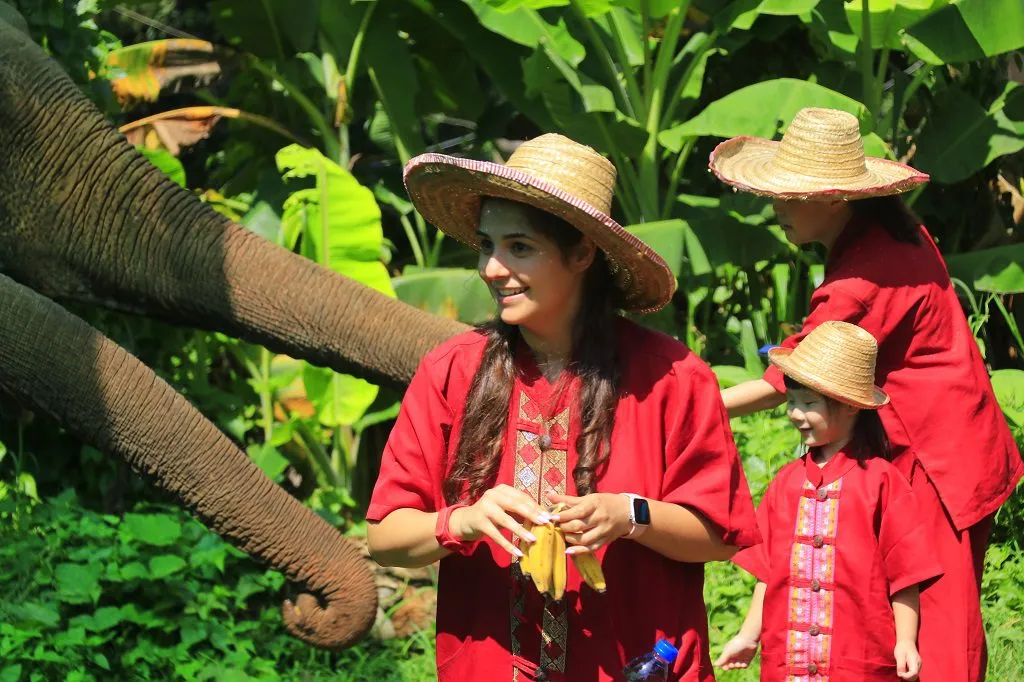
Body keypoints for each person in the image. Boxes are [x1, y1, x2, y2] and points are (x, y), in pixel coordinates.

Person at [366, 134, 760, 681]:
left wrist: (630, 515)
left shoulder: (672, 378)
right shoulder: (451, 372)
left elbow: (719, 535)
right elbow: (386, 537)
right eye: (486, 245)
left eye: (519, 248)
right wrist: (465, 520)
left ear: (581, 253)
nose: (492, 269)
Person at [711, 107, 1023, 682]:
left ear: (832, 199)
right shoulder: (888, 229)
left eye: (788, 195)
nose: (775, 207)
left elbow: (796, 374)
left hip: (938, 465)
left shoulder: (864, 274)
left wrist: (696, 405)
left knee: (938, 636)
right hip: (951, 445)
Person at [715, 320, 943, 681]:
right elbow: (766, 575)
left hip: (859, 660)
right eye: (791, 401)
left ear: (851, 406)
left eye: (808, 403)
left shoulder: (882, 482)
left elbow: (905, 574)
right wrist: (748, 635)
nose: (795, 413)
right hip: (789, 661)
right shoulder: (785, 483)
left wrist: (906, 640)